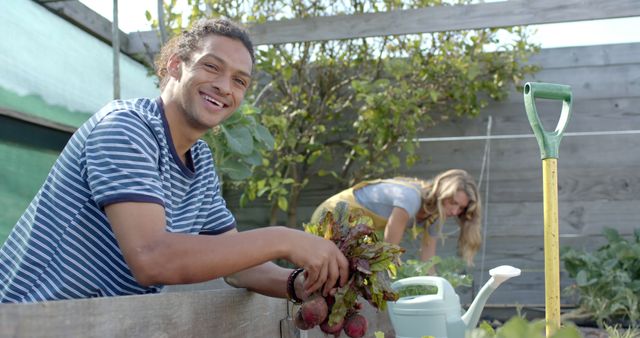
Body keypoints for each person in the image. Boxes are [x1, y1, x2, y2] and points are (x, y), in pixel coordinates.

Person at [0, 18, 349, 303]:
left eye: (239, 81)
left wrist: (300, 285)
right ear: (175, 66)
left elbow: (240, 268)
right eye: (212, 67)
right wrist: (286, 239)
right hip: (29, 320)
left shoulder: (199, 162)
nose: (225, 87)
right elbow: (151, 258)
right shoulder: (126, 128)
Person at [310, 169, 481, 266]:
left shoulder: (434, 215)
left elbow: (427, 261)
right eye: (453, 202)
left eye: (461, 208)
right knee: (331, 269)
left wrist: (433, 289)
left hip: (354, 230)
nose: (454, 211)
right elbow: (388, 250)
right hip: (332, 215)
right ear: (442, 192)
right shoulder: (410, 199)